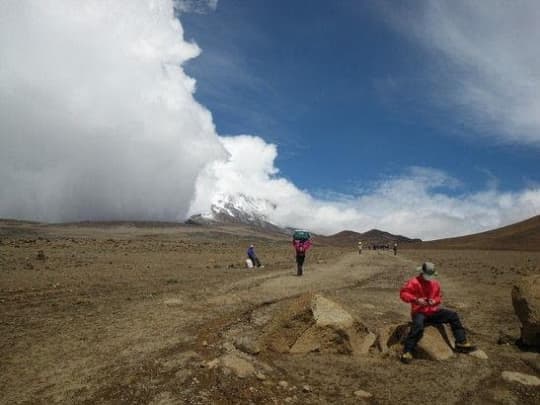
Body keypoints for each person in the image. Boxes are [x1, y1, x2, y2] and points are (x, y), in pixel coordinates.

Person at [399, 262, 475, 364]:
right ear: (422, 272)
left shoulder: (435, 283)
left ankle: (461, 342)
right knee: (418, 326)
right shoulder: (413, 282)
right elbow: (403, 294)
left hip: (433, 312)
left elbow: (438, 297)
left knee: (453, 315)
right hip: (419, 312)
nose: (429, 277)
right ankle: (407, 351)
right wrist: (416, 300)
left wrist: (434, 301)